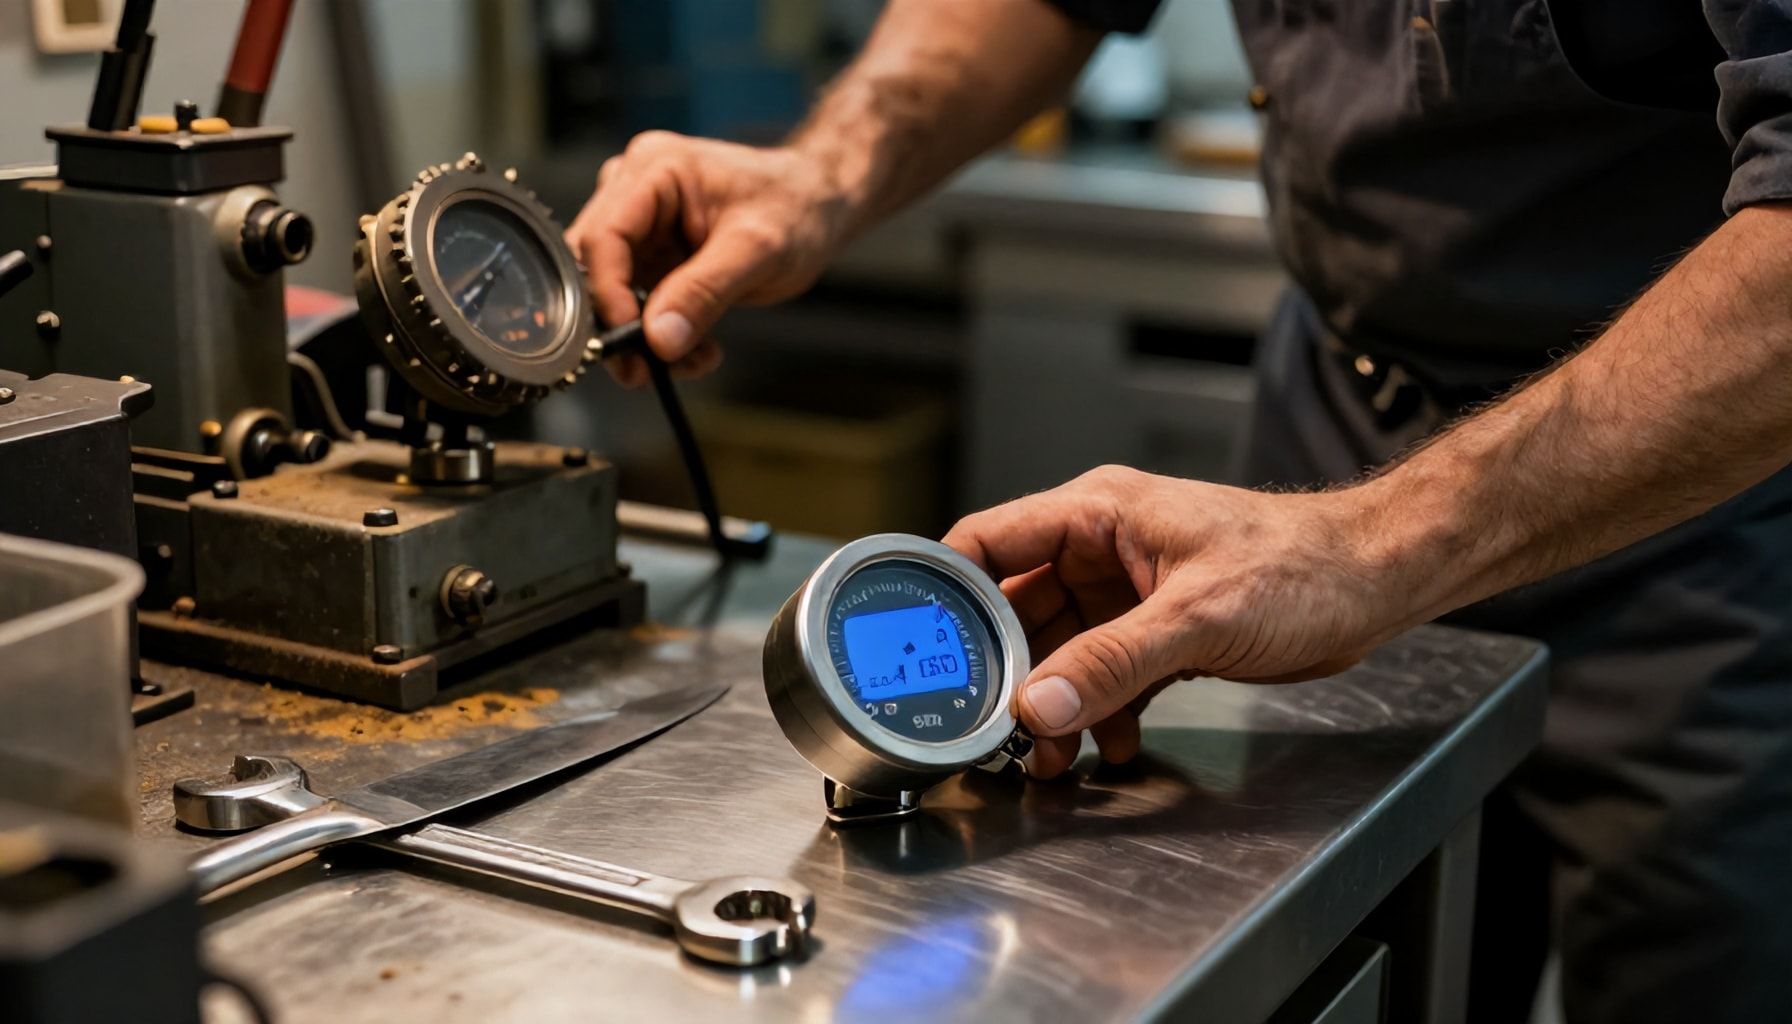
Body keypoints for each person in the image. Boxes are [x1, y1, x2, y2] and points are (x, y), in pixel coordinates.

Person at [566, 2, 1792, 1020]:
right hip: (1334, 430)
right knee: (1339, 952)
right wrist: (824, 170)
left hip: (1709, 490)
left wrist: (1375, 543)